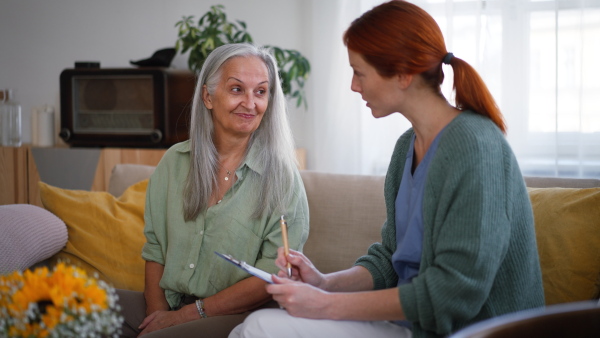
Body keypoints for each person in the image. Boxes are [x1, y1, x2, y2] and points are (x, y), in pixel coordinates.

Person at [230, 1, 544, 338]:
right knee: (257, 326)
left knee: (259, 329)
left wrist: (324, 305)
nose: (353, 85)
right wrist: (323, 283)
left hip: (471, 331)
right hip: (414, 327)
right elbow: (391, 260)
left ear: (403, 73)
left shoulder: (477, 148)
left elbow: (453, 293)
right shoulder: (405, 148)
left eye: (360, 72)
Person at [117, 43, 310, 338]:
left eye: (260, 91)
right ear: (208, 96)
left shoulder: (283, 179)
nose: (250, 103)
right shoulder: (174, 162)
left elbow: (273, 275)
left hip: (237, 316)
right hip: (170, 303)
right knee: (74, 307)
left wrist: (185, 317)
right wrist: (155, 316)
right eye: (237, 90)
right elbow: (155, 249)